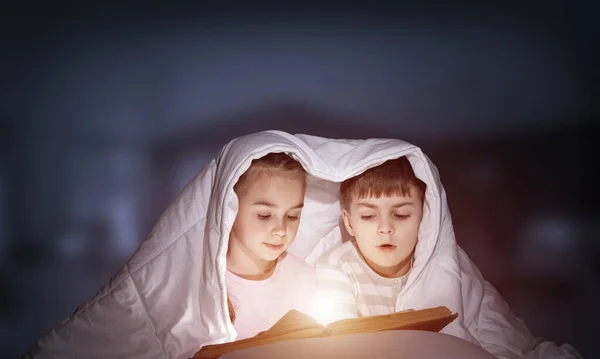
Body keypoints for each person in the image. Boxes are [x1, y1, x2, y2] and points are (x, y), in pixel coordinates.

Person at [310, 156, 581, 359]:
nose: (385, 227)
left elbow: (499, 333)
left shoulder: (449, 266)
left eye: (401, 214)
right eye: (369, 216)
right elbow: (339, 343)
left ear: (424, 216)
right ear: (349, 222)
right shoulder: (337, 269)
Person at [224, 153, 315, 339]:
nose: (281, 230)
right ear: (230, 208)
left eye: (292, 216)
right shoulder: (202, 281)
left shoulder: (302, 277)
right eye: (264, 215)